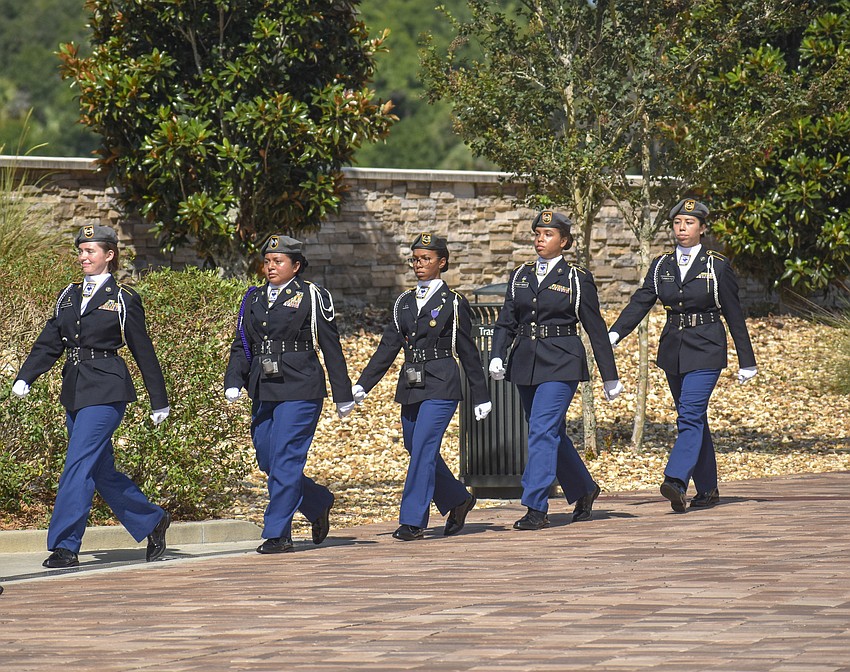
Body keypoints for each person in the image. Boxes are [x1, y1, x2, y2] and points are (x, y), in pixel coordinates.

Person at [12, 225, 171, 569]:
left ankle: (65, 545)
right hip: (75, 389)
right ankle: (152, 519)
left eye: (91, 251)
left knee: (78, 464)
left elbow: (143, 350)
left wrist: (159, 399)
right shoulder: (68, 295)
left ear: (109, 255)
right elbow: (50, 341)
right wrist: (26, 376)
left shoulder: (123, 298)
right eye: (81, 251)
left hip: (107, 388)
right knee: (100, 471)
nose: (83, 257)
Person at [608, 198, 757, 512]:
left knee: (688, 415)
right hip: (674, 349)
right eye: (677, 223)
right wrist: (616, 332)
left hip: (706, 347)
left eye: (689, 223)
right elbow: (641, 301)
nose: (682, 228)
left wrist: (747, 359)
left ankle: (676, 480)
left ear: (702, 228)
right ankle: (708, 490)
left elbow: (733, 312)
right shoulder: (662, 265)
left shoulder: (716, 265)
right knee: (696, 418)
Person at [353, 233, 491, 541]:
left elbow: (468, 352)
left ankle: (413, 521)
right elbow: (387, 348)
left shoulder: (453, 303)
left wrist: (481, 395)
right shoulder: (403, 302)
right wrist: (363, 384)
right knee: (415, 447)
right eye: (415, 259)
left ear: (442, 262)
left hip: (442, 382)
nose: (419, 264)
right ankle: (457, 499)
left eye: (426, 259)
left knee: (424, 449)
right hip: (411, 383)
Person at [489, 211, 622, 530]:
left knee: (542, 430)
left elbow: (595, 327)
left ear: (564, 241)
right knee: (549, 431)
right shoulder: (520, 275)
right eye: (537, 233)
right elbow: (507, 320)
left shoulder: (577, 278)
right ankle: (584, 488)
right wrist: (497, 354)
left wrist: (610, 375)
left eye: (548, 234)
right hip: (525, 361)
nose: (539, 239)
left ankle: (536, 506)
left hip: (562, 360)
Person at [224, 234, 355, 554]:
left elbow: (330, 345)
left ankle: (278, 532)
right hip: (263, 388)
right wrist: (233, 380)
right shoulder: (252, 298)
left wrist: (343, 393)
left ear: (295, 266)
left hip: (300, 386)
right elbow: (242, 344)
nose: (270, 266)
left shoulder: (312, 296)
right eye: (267, 261)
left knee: (285, 458)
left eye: (278, 261)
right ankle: (317, 500)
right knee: (269, 458)